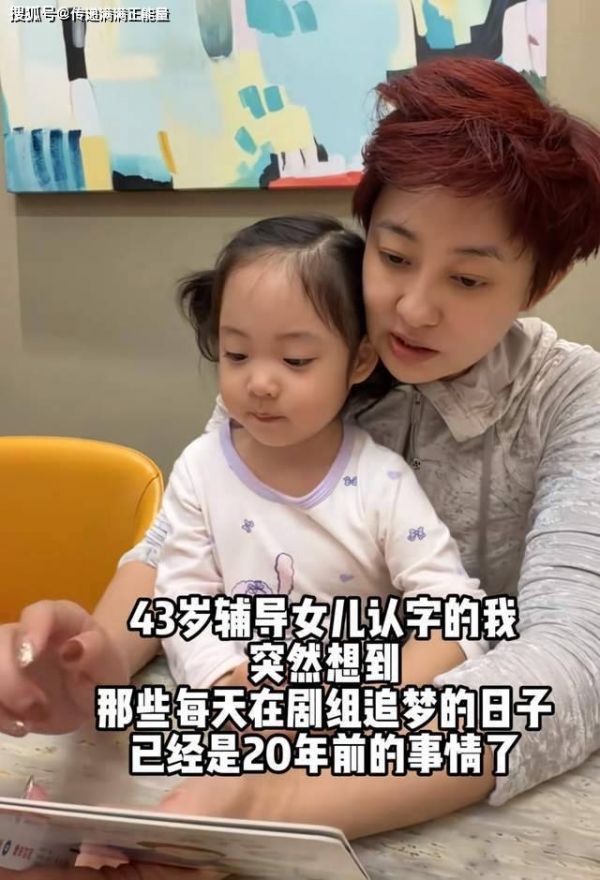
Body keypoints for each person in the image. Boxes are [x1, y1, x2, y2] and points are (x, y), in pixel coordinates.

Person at [1, 56, 600, 860]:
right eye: (394, 256)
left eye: (466, 279)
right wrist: (92, 662)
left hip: (421, 804)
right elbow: (180, 545)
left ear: (537, 284)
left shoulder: (572, 401)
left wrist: (279, 795)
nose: (413, 308)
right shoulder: (301, 350)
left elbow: (572, 658)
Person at [152, 214, 486, 694]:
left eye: (296, 361)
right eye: (237, 354)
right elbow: (182, 595)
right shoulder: (199, 469)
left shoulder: (381, 482)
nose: (260, 384)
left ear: (360, 361)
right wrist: (222, 677)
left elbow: (455, 609)